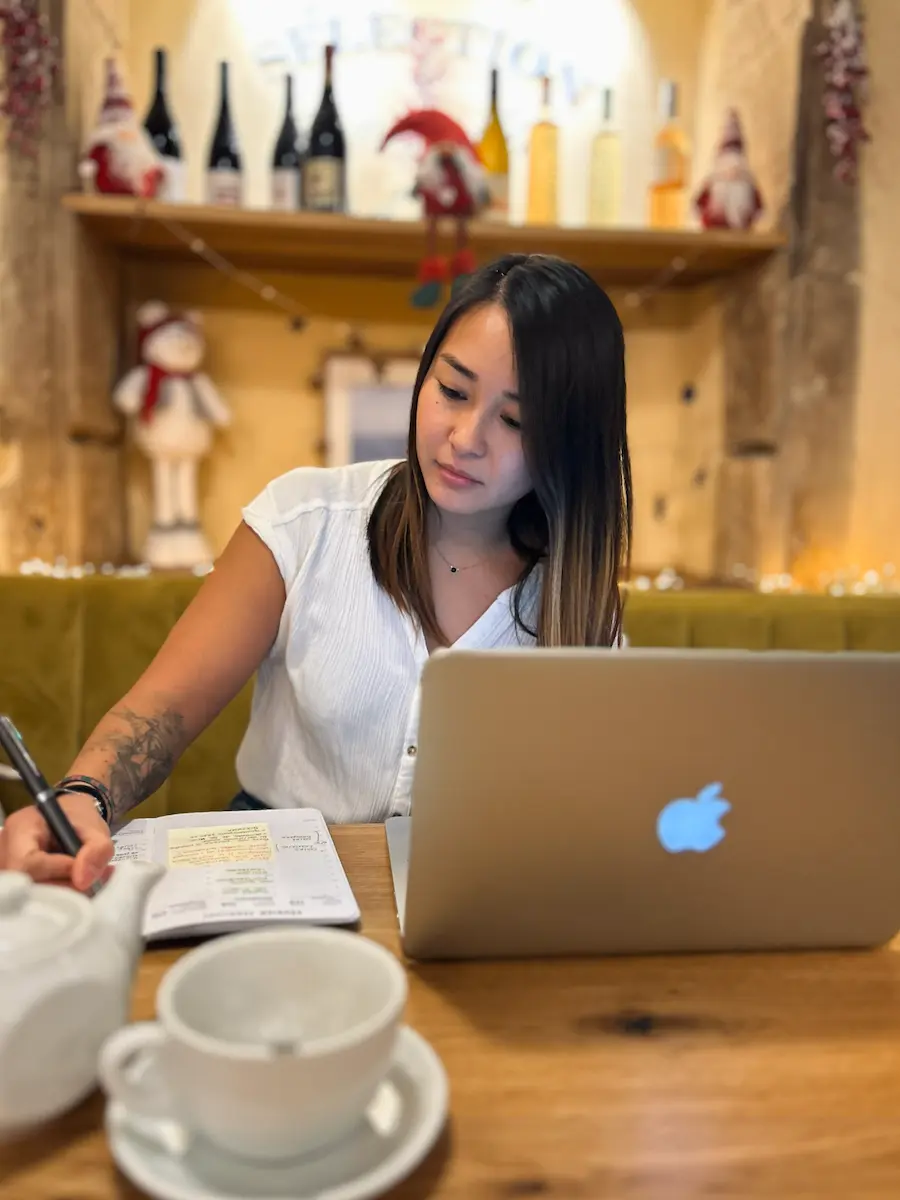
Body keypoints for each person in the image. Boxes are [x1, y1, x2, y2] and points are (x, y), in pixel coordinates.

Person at [0, 253, 632, 893]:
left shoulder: (579, 605)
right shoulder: (305, 520)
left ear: (570, 444)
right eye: (452, 391)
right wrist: (85, 796)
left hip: (470, 896)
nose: (466, 437)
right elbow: (159, 714)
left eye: (516, 421)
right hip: (273, 880)